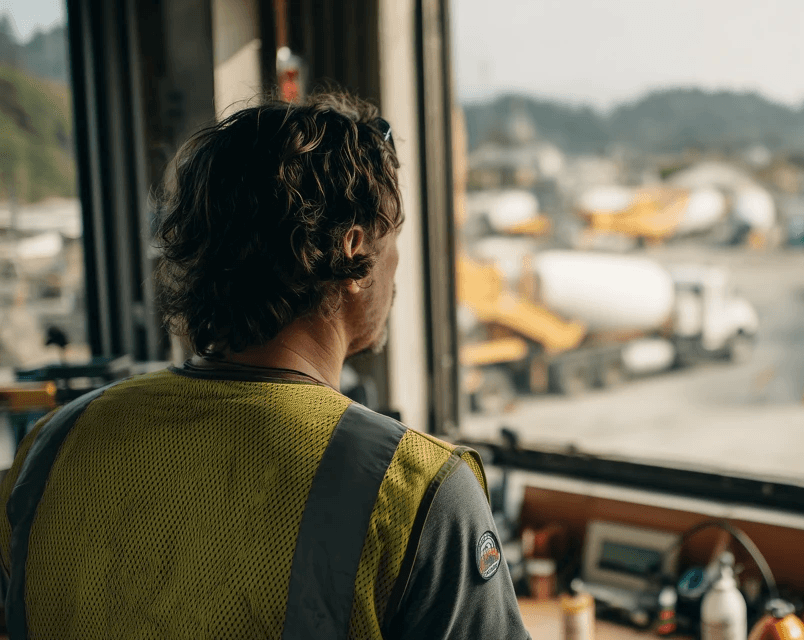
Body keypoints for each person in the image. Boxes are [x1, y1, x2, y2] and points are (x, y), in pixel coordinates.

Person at [0, 93, 530, 640]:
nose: (396, 269)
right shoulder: (417, 491)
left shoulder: (51, 447)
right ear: (353, 252)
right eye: (393, 239)